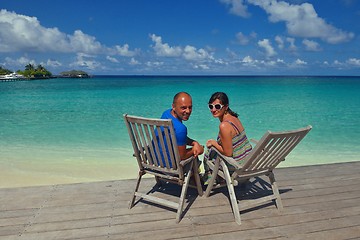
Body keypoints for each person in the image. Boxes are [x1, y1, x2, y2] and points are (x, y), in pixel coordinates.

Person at [203, 92, 252, 184]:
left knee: (208, 153)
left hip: (235, 167)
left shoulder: (224, 126)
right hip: (247, 163)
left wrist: (213, 143)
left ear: (225, 107)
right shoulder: (234, 118)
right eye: (211, 106)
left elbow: (228, 153)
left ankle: (211, 180)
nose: (213, 110)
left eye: (217, 106)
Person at [160, 92, 204, 162]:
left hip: (154, 162)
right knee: (196, 156)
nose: (188, 111)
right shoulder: (181, 129)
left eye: (190, 107)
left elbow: (176, 136)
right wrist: (197, 149)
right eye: (183, 108)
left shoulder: (166, 113)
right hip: (169, 167)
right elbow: (182, 156)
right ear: (173, 107)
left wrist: (194, 143)